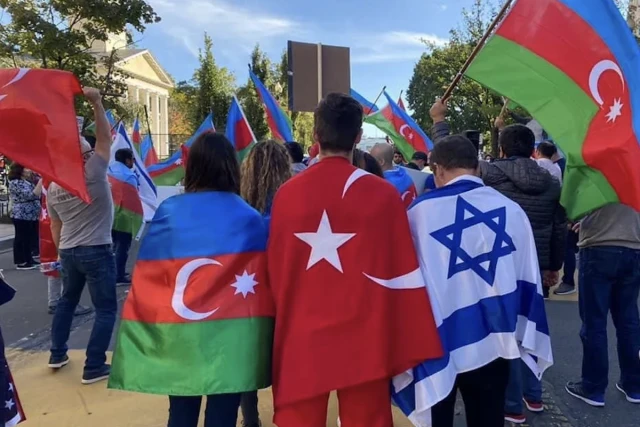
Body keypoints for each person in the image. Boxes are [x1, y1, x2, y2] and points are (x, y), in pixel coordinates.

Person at [267, 93, 441, 427]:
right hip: (366, 329)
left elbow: (278, 268)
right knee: (367, 419)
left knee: (299, 418)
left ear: (315, 135)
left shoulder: (287, 194)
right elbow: (402, 272)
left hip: (303, 327)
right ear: (359, 137)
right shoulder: (383, 195)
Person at [108, 132, 273, 427]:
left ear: (193, 166)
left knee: (181, 413)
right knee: (223, 416)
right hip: (230, 340)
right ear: (231, 167)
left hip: (180, 335)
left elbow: (150, 274)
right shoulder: (249, 217)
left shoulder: (169, 212)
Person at [392, 135, 552, 427]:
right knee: (488, 416)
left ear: (438, 170)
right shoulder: (511, 210)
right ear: (477, 167)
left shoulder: (417, 215)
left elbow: (406, 284)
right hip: (496, 339)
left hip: (439, 339)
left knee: (438, 418)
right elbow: (526, 277)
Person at [478, 124, 565, 423]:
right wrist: (553, 266)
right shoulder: (551, 182)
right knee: (531, 325)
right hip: (534, 266)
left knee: (506, 332)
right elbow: (558, 228)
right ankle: (534, 394)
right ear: (533, 150)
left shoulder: (489, 176)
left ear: (502, 149)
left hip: (498, 264)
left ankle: (513, 403)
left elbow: (454, 162)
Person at [47, 87, 117, 385]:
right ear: (85, 156)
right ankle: (94, 365)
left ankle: (57, 353)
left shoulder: (53, 186)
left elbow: (55, 224)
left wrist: (61, 251)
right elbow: (105, 138)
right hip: (96, 248)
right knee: (106, 308)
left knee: (67, 302)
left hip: (68, 249)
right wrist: (97, 103)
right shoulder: (93, 172)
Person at [565, 203, 640, 406]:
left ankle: (593, 387)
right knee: (629, 320)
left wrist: (588, 221)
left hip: (598, 245)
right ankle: (634, 384)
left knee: (594, 321)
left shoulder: (598, 179)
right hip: (634, 245)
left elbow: (574, 204)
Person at [239, 139, 291, 427]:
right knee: (285, 360)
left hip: (247, 298)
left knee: (246, 360)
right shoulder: (290, 211)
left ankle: (250, 418)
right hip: (283, 299)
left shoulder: (242, 215)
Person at [38, 180, 92, 316]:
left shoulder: (46, 180)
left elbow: (36, 193)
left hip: (46, 223)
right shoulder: (61, 180)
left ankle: (54, 301)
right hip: (61, 224)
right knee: (66, 266)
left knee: (53, 264)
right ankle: (68, 303)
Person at [108, 148, 139, 286]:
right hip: (123, 215)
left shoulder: (107, 170)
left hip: (108, 214)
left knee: (112, 245)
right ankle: (119, 275)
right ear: (127, 160)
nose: (133, 162)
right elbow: (133, 198)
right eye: (133, 159)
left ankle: (112, 272)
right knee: (122, 246)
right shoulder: (129, 176)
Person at [8, 164, 41, 270]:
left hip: (30, 214)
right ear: (20, 170)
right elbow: (29, 195)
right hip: (21, 214)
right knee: (21, 237)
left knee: (28, 238)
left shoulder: (27, 181)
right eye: (26, 168)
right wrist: (41, 183)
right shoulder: (15, 182)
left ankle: (29, 258)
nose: (29, 170)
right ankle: (21, 261)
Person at [370, 143, 418, 208]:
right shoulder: (405, 175)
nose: (369, 162)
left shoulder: (385, 185)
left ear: (381, 162)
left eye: (371, 159)